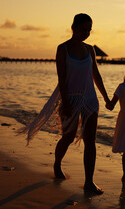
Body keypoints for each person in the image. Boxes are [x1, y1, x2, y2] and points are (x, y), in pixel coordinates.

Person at [20, 13, 110, 195]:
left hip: (90, 99)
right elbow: (62, 78)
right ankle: (57, 163)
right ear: (74, 28)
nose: (86, 33)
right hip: (70, 97)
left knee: (90, 141)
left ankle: (89, 182)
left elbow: (96, 75)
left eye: (88, 30)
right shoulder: (63, 49)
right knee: (68, 137)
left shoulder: (90, 50)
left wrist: (106, 98)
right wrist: (67, 102)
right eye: (82, 29)